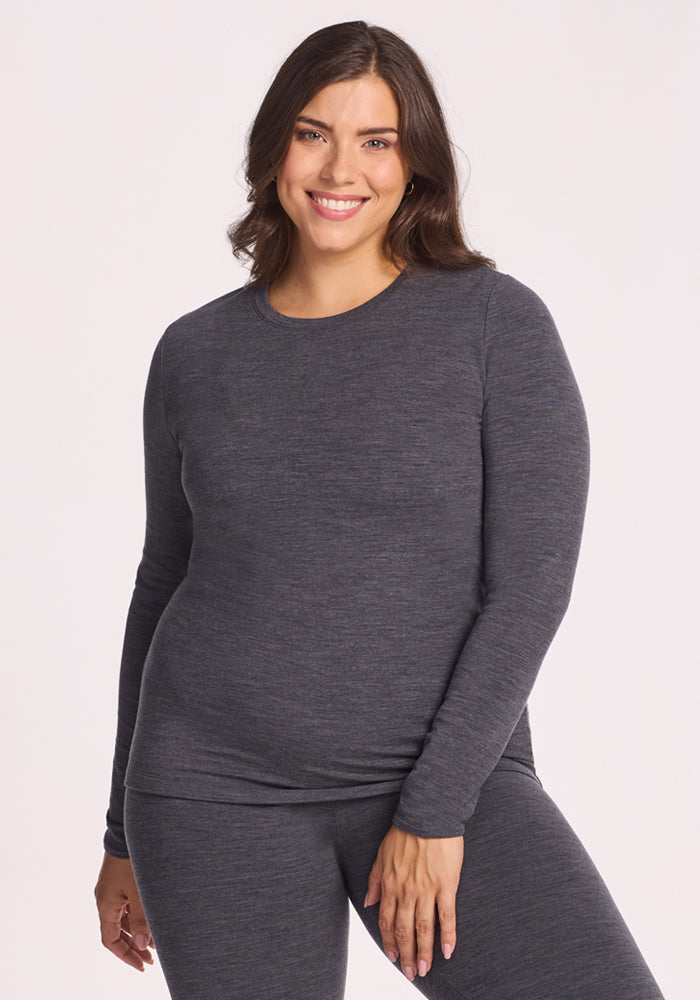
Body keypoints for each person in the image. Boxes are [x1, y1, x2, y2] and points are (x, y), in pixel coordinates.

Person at [93, 20, 667, 1000]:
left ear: (417, 163)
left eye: (377, 139)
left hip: (447, 775)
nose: (338, 167)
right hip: (210, 789)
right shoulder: (193, 353)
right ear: (274, 145)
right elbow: (165, 578)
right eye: (312, 132)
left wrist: (437, 808)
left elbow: (527, 581)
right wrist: (119, 833)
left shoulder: (492, 324)